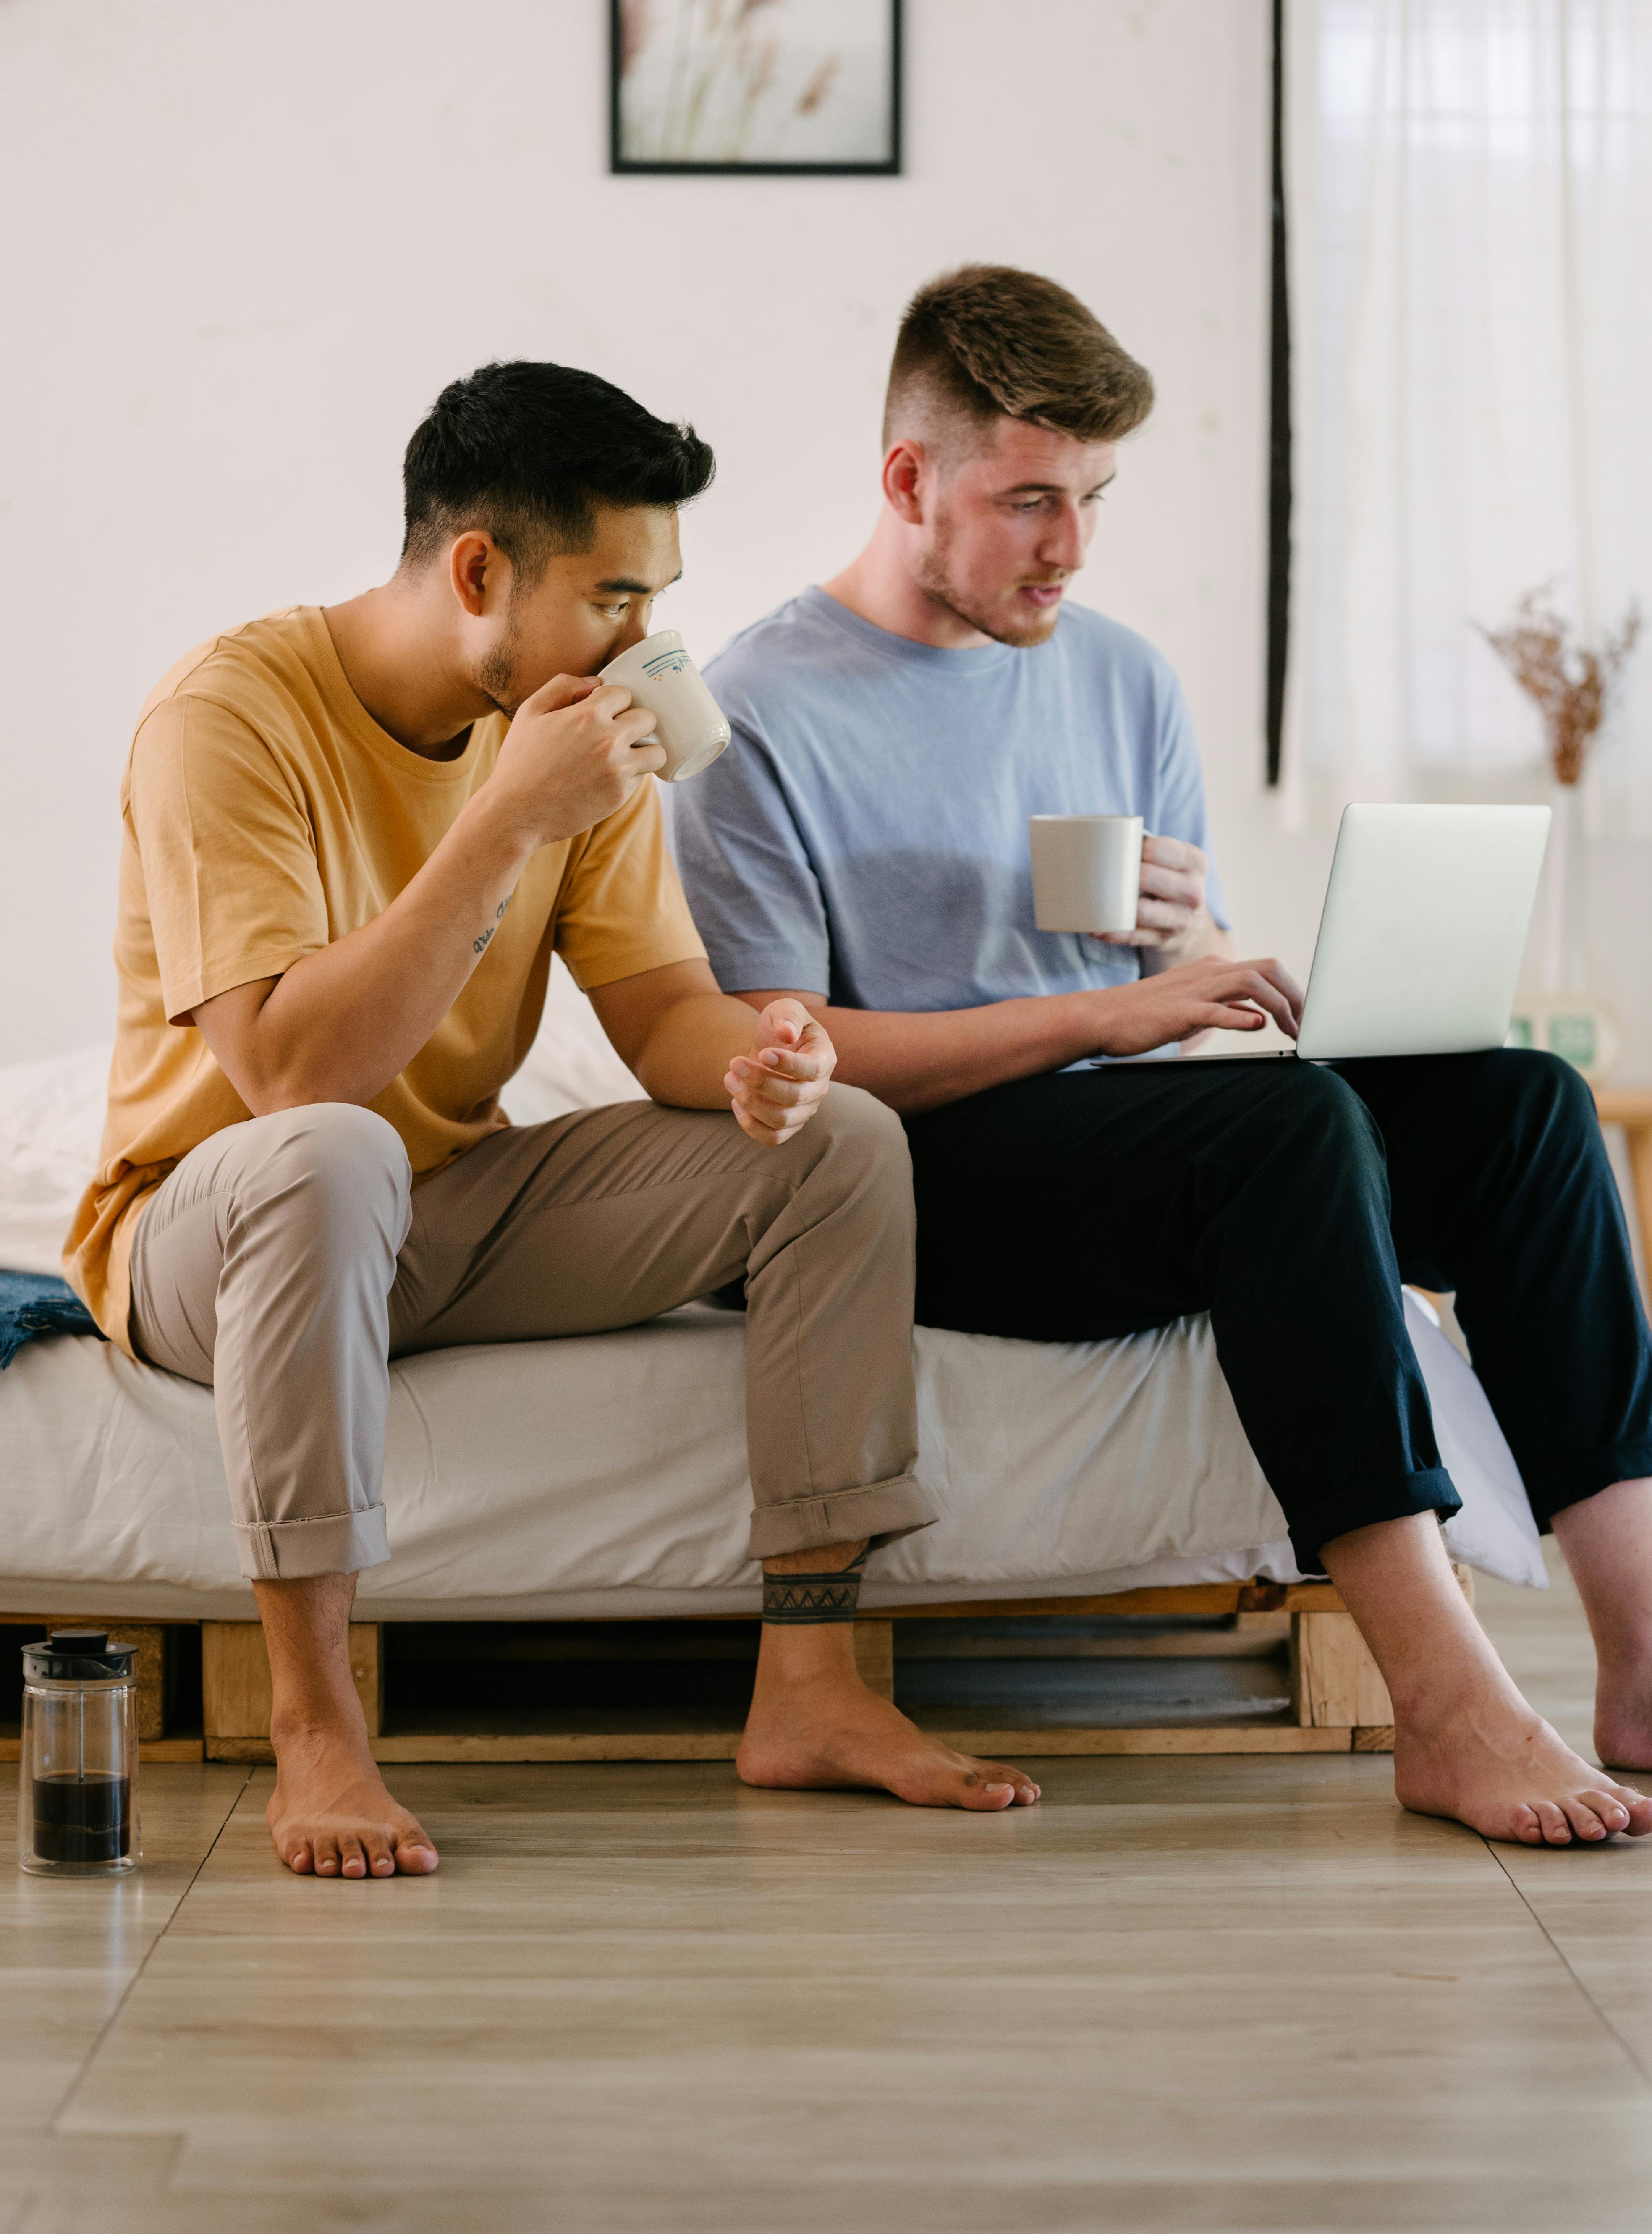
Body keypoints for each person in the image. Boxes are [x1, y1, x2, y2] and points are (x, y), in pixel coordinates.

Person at [673, 265, 1652, 1848]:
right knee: (1285, 1131)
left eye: (1096, 498)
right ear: (909, 480)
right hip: (920, 1182)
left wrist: (1188, 950)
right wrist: (1103, 1017)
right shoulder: (757, 712)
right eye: (1030, 500)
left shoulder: (1120, 672)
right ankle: (1449, 1704)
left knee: (1528, 1108)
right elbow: (792, 1068)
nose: (1069, 545)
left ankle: (1643, 1662)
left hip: (1132, 1134)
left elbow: (1170, 998)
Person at [66, 361, 1044, 1881]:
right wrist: (507, 816)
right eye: (612, 597)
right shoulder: (230, 713)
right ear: (479, 571)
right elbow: (290, 1080)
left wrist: (767, 1051)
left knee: (840, 1139)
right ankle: (319, 1726)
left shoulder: (584, 731)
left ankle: (811, 1686)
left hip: (448, 1202)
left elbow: (658, 1016)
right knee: (336, 1152)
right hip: (222, 1225)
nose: (646, 643)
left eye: (659, 600)